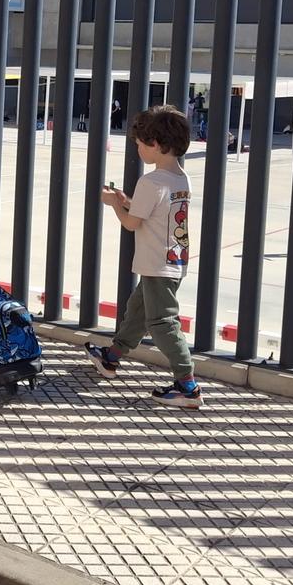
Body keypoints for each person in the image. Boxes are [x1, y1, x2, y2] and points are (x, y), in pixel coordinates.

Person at [85, 105, 202, 409]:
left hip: (156, 262)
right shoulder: (180, 177)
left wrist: (113, 203)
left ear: (156, 144)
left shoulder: (151, 181)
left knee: (162, 321)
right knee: (138, 310)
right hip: (174, 259)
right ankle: (111, 358)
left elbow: (132, 223)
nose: (137, 149)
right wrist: (127, 200)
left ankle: (187, 385)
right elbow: (154, 212)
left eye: (140, 144)